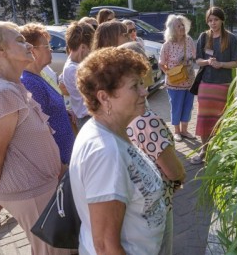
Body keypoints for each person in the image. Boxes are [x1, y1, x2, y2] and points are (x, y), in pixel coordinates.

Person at [0, 21, 69, 255]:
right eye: (19, 40)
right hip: (31, 192)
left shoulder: (6, 86)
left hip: (39, 188)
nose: (27, 44)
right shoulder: (3, 93)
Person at [69, 47, 166, 255]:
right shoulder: (105, 153)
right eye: (134, 86)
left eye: (141, 83)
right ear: (104, 98)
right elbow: (105, 247)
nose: (144, 91)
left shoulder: (112, 130)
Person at [121, 42, 186, 255]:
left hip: (136, 206)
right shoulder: (146, 119)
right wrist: (180, 177)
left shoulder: (119, 115)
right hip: (157, 203)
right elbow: (173, 170)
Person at [191, 6, 237, 164]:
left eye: (216, 20)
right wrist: (207, 62)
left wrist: (221, 64)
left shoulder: (231, 38)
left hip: (223, 86)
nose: (213, 23)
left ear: (222, 20)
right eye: (210, 20)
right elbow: (198, 60)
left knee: (222, 119)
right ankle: (204, 151)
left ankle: (222, 150)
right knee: (204, 118)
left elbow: (236, 62)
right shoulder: (203, 37)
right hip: (206, 84)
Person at [19, 22, 75, 164]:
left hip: (64, 156)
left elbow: (49, 109)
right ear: (32, 50)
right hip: (57, 163)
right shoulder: (30, 83)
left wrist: (63, 112)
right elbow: (40, 130)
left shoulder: (40, 75)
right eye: (47, 46)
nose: (51, 50)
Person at [159, 14, 196, 142]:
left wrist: (189, 62)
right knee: (176, 107)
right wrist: (168, 73)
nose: (181, 27)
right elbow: (161, 63)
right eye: (178, 26)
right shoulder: (167, 45)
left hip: (189, 81)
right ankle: (177, 132)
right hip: (174, 83)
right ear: (172, 29)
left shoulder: (189, 40)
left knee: (188, 107)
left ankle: (185, 130)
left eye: (182, 25)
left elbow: (194, 57)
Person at [62, 21, 95, 129]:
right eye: (90, 47)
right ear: (83, 47)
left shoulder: (75, 64)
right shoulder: (74, 69)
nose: (91, 51)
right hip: (88, 119)